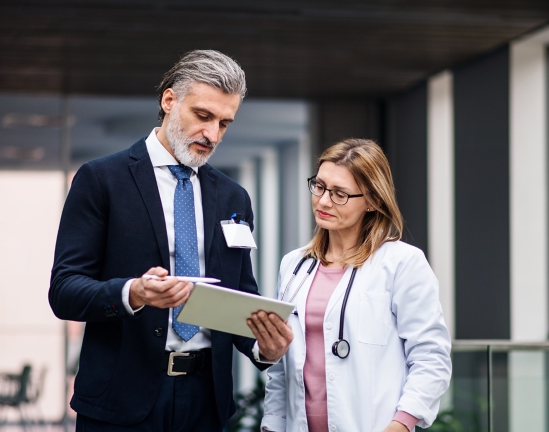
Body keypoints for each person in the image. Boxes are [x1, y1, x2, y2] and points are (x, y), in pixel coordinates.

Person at [49, 50, 293, 432]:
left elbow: (238, 294)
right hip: (121, 400)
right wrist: (134, 292)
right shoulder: (102, 180)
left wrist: (264, 347)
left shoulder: (234, 197)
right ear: (168, 101)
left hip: (205, 402)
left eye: (224, 123)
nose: (212, 134)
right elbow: (64, 291)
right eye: (203, 116)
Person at [260, 139, 452, 432]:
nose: (323, 201)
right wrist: (272, 426)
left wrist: (401, 424)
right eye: (320, 186)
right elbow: (282, 368)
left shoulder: (401, 263)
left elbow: (431, 357)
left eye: (339, 194)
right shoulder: (294, 265)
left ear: (373, 201)